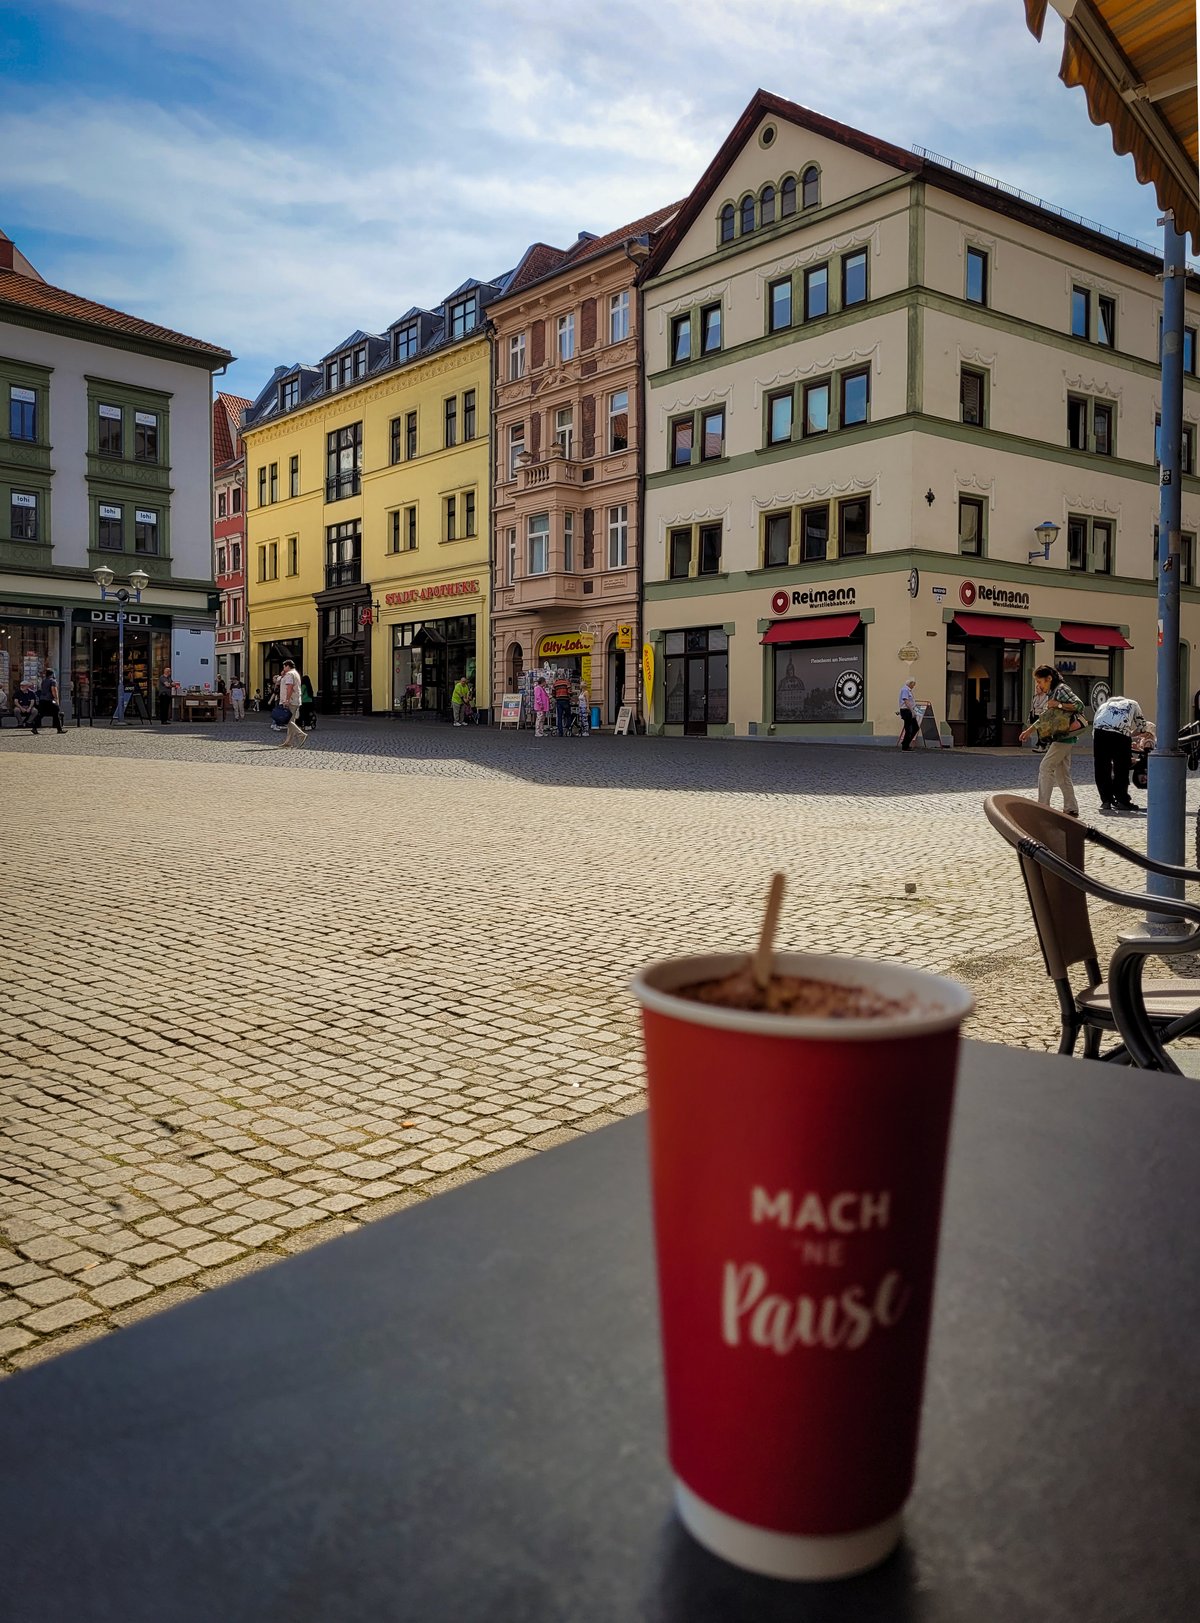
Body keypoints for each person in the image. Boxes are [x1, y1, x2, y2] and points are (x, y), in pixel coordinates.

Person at [1018, 664, 1085, 816]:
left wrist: (1058, 704)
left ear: (1049, 678)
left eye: (1040, 681)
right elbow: (1047, 716)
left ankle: (1043, 806)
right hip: (1063, 737)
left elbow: (1079, 705)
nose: (1038, 685)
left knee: (1045, 767)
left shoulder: (1061, 689)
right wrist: (1029, 730)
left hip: (1064, 737)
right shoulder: (1053, 691)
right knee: (1062, 774)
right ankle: (1071, 808)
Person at [1091, 695, 1147, 813]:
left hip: (1099, 734)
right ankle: (1122, 801)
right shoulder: (1133, 703)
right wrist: (1129, 735)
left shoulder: (1103, 706)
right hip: (1120, 735)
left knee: (1102, 767)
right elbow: (1142, 727)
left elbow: (1095, 725)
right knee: (1121, 768)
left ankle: (1106, 800)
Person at [276, 658, 307, 748]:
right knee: (291, 721)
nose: (283, 668)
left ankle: (301, 734)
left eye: (284, 666)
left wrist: (287, 700)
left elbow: (289, 687)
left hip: (291, 700)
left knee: (288, 720)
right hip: (296, 700)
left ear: (287, 666)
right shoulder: (295, 673)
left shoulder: (289, 674)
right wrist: (282, 676)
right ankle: (288, 742)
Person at [31, 668, 64, 735]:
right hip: (49, 700)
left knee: (41, 714)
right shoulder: (53, 681)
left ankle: (34, 727)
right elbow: (54, 690)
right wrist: (56, 699)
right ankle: (59, 729)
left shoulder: (44, 681)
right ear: (52, 674)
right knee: (56, 711)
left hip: (42, 699)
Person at [898, 675, 919, 750]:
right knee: (909, 728)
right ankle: (905, 746)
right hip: (907, 711)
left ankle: (905, 743)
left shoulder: (908, 690)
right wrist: (912, 711)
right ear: (910, 683)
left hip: (908, 710)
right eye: (913, 684)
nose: (914, 686)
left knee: (915, 727)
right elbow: (906, 701)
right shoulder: (905, 690)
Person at [552, 673, 572, 737]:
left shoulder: (555, 683)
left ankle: (560, 732)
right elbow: (569, 692)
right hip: (566, 700)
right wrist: (571, 695)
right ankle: (568, 728)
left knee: (559, 717)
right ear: (564, 677)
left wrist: (556, 697)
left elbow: (553, 693)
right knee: (568, 715)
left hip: (558, 701)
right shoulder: (567, 683)